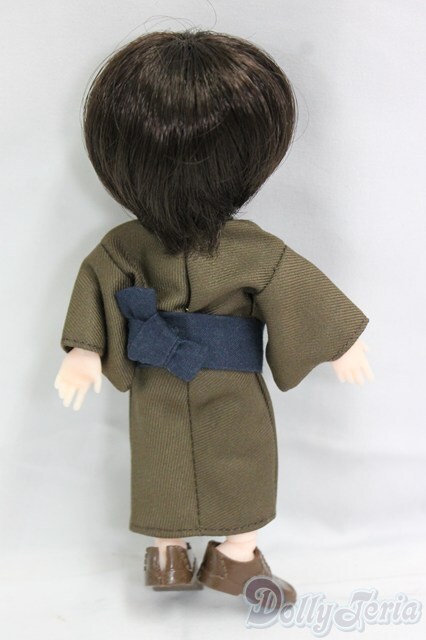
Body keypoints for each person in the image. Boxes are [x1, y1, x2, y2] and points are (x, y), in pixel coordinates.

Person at [55, 29, 374, 599]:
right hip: (176, 376)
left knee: (232, 463)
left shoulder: (236, 248)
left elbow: (294, 289)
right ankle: (196, 556)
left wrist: (338, 340)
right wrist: (84, 349)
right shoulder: (140, 246)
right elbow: (98, 284)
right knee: (172, 464)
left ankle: (208, 555)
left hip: (199, 381)